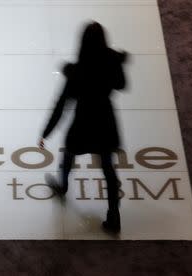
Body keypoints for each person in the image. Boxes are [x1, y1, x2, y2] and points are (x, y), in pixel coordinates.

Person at [39, 22, 128, 233]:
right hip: (105, 119)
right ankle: (114, 215)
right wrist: (117, 61)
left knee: (69, 153)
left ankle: (63, 186)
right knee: (108, 168)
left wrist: (46, 132)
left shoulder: (77, 72)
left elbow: (61, 105)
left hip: (84, 120)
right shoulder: (112, 63)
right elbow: (121, 85)